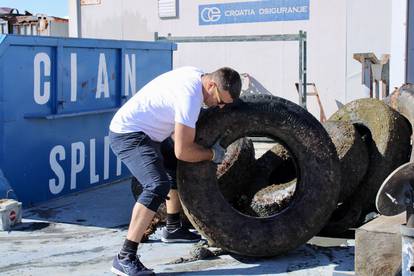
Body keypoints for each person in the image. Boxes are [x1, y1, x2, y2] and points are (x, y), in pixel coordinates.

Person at [108, 66, 242, 276]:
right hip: (129, 134)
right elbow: (184, 151)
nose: (221, 107)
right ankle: (125, 257)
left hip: (151, 131)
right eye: (221, 100)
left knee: (172, 164)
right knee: (156, 185)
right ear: (212, 85)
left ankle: (172, 228)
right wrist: (212, 155)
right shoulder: (190, 96)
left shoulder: (198, 76)